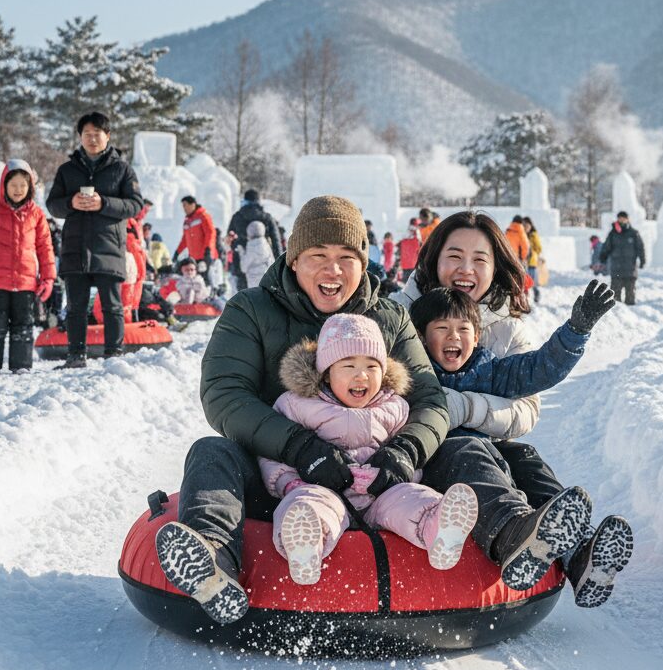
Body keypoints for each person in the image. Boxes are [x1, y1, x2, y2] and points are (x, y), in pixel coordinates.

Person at [153, 196, 586, 623]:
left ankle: (513, 537)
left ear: (363, 262)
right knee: (211, 452)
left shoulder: (389, 317)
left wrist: (405, 453)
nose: (332, 270)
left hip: (385, 478)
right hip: (282, 479)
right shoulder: (250, 310)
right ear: (293, 258)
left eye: (346, 257)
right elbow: (225, 395)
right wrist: (299, 447)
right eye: (317, 255)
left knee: (463, 447)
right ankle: (211, 562)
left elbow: (430, 400)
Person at [391, 210, 633, 608]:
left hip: (488, 440)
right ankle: (513, 533)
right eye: (454, 255)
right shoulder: (399, 319)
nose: (465, 269)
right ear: (434, 259)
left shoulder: (490, 356)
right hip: (428, 451)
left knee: (525, 458)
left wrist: (575, 332)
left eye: (479, 259)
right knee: (467, 452)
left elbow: (533, 377)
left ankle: (579, 552)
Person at [262, 314, 479, 583]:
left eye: (372, 367)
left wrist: (398, 472)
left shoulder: (395, 407)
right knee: (307, 504)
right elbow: (274, 451)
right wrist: (289, 483)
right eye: (348, 365)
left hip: (381, 495)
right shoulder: (296, 404)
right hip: (324, 490)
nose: (361, 375)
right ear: (327, 374)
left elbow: (410, 459)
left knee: (411, 497)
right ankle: (305, 546)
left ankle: (440, 527)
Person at [46, 111, 144, 367]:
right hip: (75, 247)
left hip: (108, 247)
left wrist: (104, 203)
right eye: (86, 134)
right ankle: (76, 356)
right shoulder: (67, 170)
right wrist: (71, 202)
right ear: (80, 137)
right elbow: (53, 206)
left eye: (96, 134)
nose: (92, 139)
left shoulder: (122, 170)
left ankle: (114, 355)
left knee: (112, 306)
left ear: (107, 136)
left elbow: (135, 205)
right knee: (76, 307)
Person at [411, 281, 614, 402]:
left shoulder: (490, 371)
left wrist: (576, 332)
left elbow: (540, 368)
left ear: (475, 338)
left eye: (463, 328)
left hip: (480, 458)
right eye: (442, 328)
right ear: (423, 337)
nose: (454, 336)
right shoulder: (415, 374)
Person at [0, 159, 56, 375]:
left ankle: (21, 364)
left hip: (26, 283)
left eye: (22, 186)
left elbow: (45, 248)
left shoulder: (36, 214)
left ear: (30, 188)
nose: (18, 190)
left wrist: (48, 278)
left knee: (23, 326)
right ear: (4, 185)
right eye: (13, 185)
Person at [227, 189, 282, 289]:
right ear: (258, 201)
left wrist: (237, 248)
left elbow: (230, 238)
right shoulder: (267, 217)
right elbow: (276, 241)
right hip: (263, 262)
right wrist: (279, 263)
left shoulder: (237, 217)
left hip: (242, 262)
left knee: (243, 294)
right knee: (264, 292)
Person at [597, 211, 646, 306]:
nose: (622, 220)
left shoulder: (634, 233)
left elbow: (640, 248)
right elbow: (606, 247)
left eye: (624, 218)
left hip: (630, 270)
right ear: (618, 219)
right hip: (616, 269)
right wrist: (603, 257)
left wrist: (642, 260)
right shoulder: (613, 234)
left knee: (630, 298)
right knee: (615, 299)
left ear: (627, 219)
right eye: (620, 218)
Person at [174, 196, 217, 265]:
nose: (184, 209)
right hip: (193, 258)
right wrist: (178, 252)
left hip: (205, 256)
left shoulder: (203, 216)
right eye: (183, 206)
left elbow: (210, 233)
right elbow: (185, 240)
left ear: (193, 204)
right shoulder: (187, 221)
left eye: (185, 205)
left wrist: (208, 250)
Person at [237, 220, 276, 288]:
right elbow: (272, 263)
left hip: (253, 283)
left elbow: (243, 267)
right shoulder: (266, 246)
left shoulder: (251, 248)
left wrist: (241, 252)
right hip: (266, 281)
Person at [522, 217, 543, 304]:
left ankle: (536, 294)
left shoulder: (534, 235)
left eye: (527, 225)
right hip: (523, 261)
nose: (526, 227)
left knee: (532, 280)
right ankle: (525, 298)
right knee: (524, 281)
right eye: (524, 225)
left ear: (530, 226)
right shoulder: (521, 235)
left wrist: (533, 253)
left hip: (532, 262)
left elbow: (539, 248)